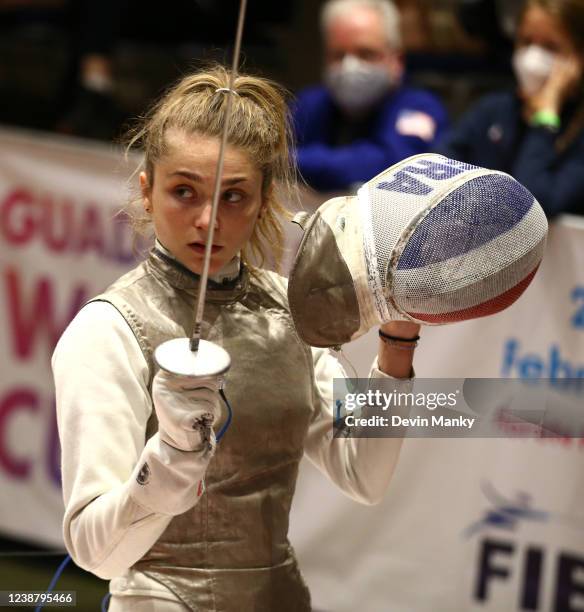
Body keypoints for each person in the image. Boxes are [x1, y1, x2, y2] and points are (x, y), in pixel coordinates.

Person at [52, 65, 420, 611]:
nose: (208, 220)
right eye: (184, 191)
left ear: (263, 199)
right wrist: (172, 457)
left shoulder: (292, 315)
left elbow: (362, 474)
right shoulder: (107, 329)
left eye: (233, 196)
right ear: (147, 191)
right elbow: (96, 554)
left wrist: (397, 341)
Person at [437, 0, 584, 218]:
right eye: (526, 42)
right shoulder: (493, 110)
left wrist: (544, 119)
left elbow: (533, 204)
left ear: (578, 58)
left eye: (550, 47)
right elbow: (436, 174)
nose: (533, 59)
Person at [292, 0, 448, 192]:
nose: (350, 68)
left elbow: (392, 167)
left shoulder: (420, 108)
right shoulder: (311, 103)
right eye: (338, 55)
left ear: (396, 60)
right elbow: (265, 152)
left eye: (366, 54)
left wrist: (293, 160)